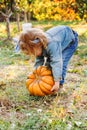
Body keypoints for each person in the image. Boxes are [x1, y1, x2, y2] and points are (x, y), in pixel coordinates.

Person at [15, 25, 78, 92]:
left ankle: (59, 85)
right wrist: (36, 74)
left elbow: (56, 62)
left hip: (70, 41)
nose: (34, 54)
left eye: (33, 52)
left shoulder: (52, 44)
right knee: (49, 64)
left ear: (38, 44)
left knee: (61, 62)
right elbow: (39, 61)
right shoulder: (39, 46)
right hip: (58, 42)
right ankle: (53, 81)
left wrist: (57, 81)